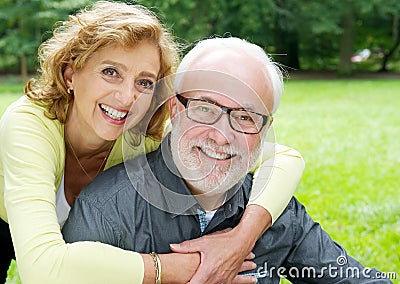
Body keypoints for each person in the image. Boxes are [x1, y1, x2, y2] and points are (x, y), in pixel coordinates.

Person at [0, 1, 305, 283]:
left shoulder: (145, 133)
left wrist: (240, 240)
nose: (126, 97)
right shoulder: (29, 123)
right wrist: (191, 267)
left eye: (144, 82)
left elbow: (287, 158)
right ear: (70, 74)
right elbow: (42, 269)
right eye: (110, 72)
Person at [63, 37, 392, 284]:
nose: (221, 136)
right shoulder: (105, 212)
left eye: (246, 117)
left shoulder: (273, 210)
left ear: (264, 131)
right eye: (205, 108)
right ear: (176, 110)